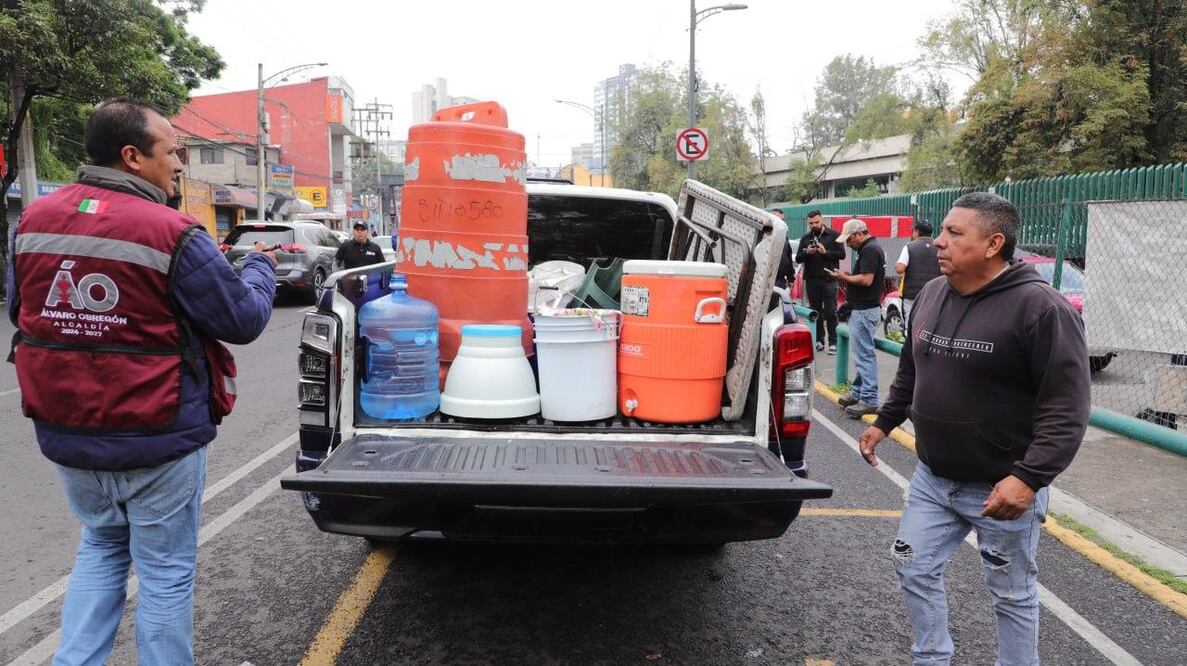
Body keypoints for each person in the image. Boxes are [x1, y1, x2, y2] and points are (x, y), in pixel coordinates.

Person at [7, 99, 276, 665]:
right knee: (166, 571)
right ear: (132, 157)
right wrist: (259, 268)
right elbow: (243, 320)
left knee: (102, 547)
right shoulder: (172, 230)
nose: (180, 162)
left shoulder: (32, 221)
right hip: (157, 432)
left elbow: (21, 312)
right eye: (173, 150)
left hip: (66, 430)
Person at [858, 192, 1090, 666]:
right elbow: (911, 369)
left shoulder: (1041, 309)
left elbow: (1067, 408)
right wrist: (885, 421)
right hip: (933, 478)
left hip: (1000, 490)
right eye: (942, 231)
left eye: (953, 234)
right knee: (912, 565)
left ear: (993, 244)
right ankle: (932, 657)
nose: (937, 242)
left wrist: (1028, 478)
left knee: (1011, 594)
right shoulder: (931, 294)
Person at [828, 218, 885, 416]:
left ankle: (869, 398)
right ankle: (859, 392)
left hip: (864, 310)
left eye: (849, 240)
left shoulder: (869, 250)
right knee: (862, 354)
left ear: (858, 234)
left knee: (864, 355)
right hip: (863, 309)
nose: (848, 245)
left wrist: (844, 277)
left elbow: (866, 279)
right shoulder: (870, 248)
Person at [794, 210, 846, 353]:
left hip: (830, 279)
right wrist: (806, 252)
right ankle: (819, 340)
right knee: (815, 311)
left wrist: (825, 252)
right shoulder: (805, 238)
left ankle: (833, 342)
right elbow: (798, 258)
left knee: (831, 311)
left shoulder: (834, 235)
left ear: (822, 220)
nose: (814, 225)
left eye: (816, 222)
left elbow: (842, 254)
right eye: (811, 223)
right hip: (811, 280)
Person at [895, 220, 942, 323]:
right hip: (934, 294)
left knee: (910, 324)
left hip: (912, 295)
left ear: (916, 232)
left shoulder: (909, 247)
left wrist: (896, 265)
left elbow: (900, 269)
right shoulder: (939, 248)